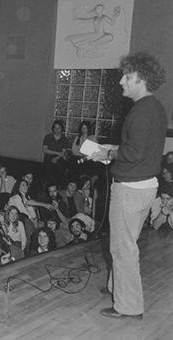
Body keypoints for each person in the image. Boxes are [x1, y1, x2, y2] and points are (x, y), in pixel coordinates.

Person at [89, 52, 166, 320]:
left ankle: (129, 306)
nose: (122, 80)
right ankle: (117, 289)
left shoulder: (141, 111)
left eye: (127, 76)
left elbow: (133, 153)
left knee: (123, 249)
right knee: (125, 242)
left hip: (131, 189)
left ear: (141, 79)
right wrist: (112, 148)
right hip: (144, 186)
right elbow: (140, 149)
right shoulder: (154, 107)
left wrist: (108, 154)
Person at [42, 120, 70, 185]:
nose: (57, 130)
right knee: (47, 176)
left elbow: (63, 153)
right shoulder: (48, 137)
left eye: (58, 128)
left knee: (58, 177)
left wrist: (57, 158)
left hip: (59, 160)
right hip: (48, 158)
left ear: (61, 128)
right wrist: (57, 153)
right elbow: (45, 150)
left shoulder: (64, 139)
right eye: (55, 128)